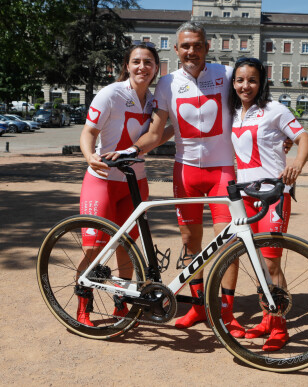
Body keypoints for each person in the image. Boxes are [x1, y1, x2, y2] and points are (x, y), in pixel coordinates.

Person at [126, 22, 246, 337]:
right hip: (185, 171)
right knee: (191, 243)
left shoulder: (228, 73)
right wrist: (133, 149)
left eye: (197, 45)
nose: (191, 51)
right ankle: (197, 306)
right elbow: (156, 131)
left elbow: (253, 104)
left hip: (222, 170)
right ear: (176, 50)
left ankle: (227, 312)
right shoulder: (166, 83)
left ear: (207, 47)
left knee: (230, 242)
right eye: (185, 46)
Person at [229, 57, 308, 351]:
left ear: (261, 82)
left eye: (252, 80)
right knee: (256, 261)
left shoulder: (274, 109)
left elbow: (304, 139)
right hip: (245, 197)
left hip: (274, 196)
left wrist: (296, 166)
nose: (245, 85)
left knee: (271, 261)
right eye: (240, 80)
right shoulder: (233, 114)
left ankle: (279, 328)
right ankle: (266, 318)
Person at [75, 43, 160, 327]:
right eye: (136, 62)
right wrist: (90, 156)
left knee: (126, 247)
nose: (142, 67)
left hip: (135, 182)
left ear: (156, 68)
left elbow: (160, 132)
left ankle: (121, 304)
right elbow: (89, 131)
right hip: (102, 181)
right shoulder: (111, 93)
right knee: (93, 249)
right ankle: (82, 304)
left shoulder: (154, 101)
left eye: (148, 62)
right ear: (127, 65)